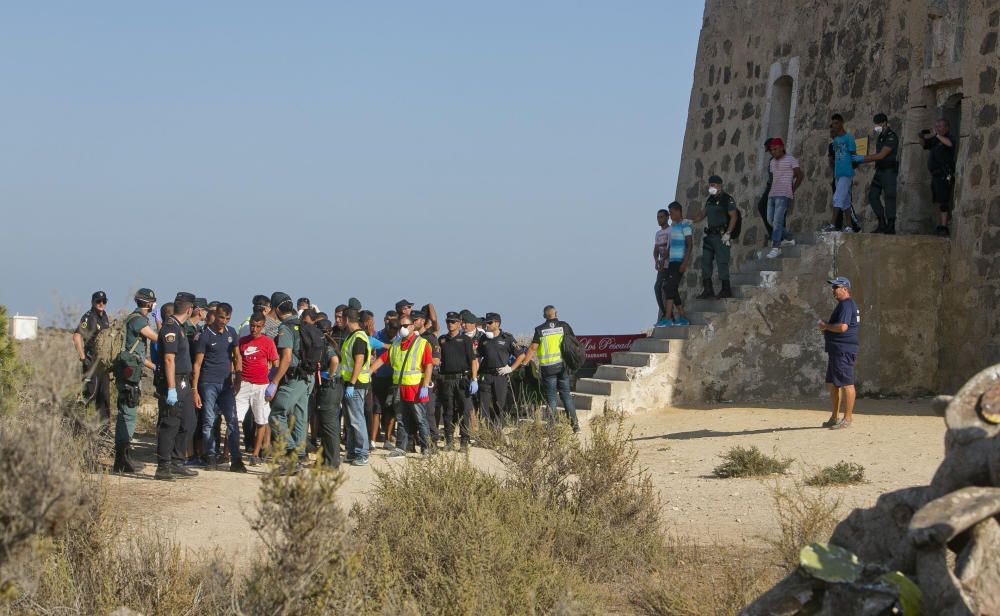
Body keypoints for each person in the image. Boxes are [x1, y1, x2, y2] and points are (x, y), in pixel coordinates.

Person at [370, 313, 435, 458]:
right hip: (399, 389)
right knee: (401, 419)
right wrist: (369, 371)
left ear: (412, 326)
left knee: (420, 420)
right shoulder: (396, 345)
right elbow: (382, 359)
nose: (402, 328)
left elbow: (428, 365)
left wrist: (425, 386)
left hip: (416, 389)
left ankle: (427, 449)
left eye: (405, 326)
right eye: (401, 326)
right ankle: (401, 448)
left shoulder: (422, 343)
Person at [111, 288, 160, 474]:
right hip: (128, 375)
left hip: (130, 370)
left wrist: (153, 366)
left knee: (127, 412)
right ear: (149, 303)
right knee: (128, 414)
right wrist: (157, 319)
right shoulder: (139, 320)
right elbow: (159, 339)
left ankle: (124, 458)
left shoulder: (133, 318)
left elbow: (136, 353)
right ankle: (122, 460)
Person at [153, 292, 200, 481]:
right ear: (189, 310)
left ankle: (177, 461)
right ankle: (163, 466)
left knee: (188, 422)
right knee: (170, 423)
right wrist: (171, 388)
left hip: (184, 382)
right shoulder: (170, 328)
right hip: (173, 382)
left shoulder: (179, 327)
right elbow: (168, 359)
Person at [193, 302, 243, 471]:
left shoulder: (232, 333)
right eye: (221, 317)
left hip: (227, 385)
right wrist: (195, 389)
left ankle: (236, 460)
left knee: (232, 421)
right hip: (208, 383)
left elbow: (237, 356)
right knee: (208, 421)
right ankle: (211, 457)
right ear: (215, 315)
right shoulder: (205, 335)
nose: (224, 321)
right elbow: (197, 364)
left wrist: (238, 378)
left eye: (227, 318)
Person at [266, 292, 311, 462]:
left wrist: (275, 382)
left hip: (293, 377)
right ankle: (300, 455)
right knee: (299, 416)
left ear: (276, 309)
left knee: (277, 415)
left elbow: (286, 358)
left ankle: (291, 453)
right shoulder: (303, 324)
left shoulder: (285, 327)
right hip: (307, 377)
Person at [522, 306, 579, 432]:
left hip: (548, 368)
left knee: (552, 398)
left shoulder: (540, 330)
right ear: (556, 314)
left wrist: (524, 363)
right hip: (562, 366)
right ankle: (575, 427)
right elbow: (573, 343)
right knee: (566, 396)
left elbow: (532, 348)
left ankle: (552, 428)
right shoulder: (564, 326)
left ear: (544, 315)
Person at [819, 277, 860, 430]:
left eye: (836, 287)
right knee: (832, 383)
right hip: (837, 350)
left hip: (843, 350)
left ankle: (847, 419)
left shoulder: (846, 304)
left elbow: (842, 327)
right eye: (833, 287)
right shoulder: (844, 305)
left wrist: (825, 326)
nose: (833, 290)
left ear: (845, 288)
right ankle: (835, 417)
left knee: (847, 384)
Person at [236, 312, 278, 465]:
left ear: (263, 327)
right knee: (234, 419)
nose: (254, 329)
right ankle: (228, 452)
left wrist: (273, 385)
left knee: (261, 420)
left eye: (258, 326)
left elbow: (275, 364)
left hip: (261, 385)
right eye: (252, 326)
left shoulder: (268, 342)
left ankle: (255, 454)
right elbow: (236, 361)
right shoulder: (242, 342)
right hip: (244, 384)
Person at [690, 175, 738, 299]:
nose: (711, 187)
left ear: (719, 186)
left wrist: (728, 233)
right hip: (710, 236)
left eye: (713, 185)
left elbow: (734, 216)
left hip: (721, 236)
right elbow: (703, 214)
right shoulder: (710, 199)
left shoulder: (727, 199)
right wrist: (691, 221)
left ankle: (726, 289)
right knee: (705, 261)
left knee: (722, 262)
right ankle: (708, 289)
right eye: (710, 185)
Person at [437, 311, 478, 451]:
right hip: (446, 381)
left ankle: (464, 442)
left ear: (459, 324)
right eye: (448, 321)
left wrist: (474, 379)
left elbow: (473, 360)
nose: (450, 324)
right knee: (448, 412)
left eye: (453, 321)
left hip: (462, 380)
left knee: (464, 410)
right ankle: (449, 441)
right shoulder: (442, 340)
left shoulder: (466, 340)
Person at [476, 312, 526, 426]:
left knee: (500, 404)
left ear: (497, 323)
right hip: (485, 375)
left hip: (500, 375)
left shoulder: (507, 338)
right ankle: (484, 432)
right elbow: (477, 356)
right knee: (483, 405)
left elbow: (521, 355)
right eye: (486, 323)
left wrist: (511, 368)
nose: (487, 325)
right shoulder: (483, 338)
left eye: (489, 323)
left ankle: (498, 431)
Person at [72, 290, 112, 421]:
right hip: (91, 362)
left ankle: (103, 430)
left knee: (104, 397)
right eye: (98, 301)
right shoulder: (88, 317)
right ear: (93, 302)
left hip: (103, 364)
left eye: (104, 301)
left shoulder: (104, 316)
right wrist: (83, 357)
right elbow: (77, 336)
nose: (101, 304)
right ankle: (79, 427)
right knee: (90, 394)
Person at [338, 308, 371, 466]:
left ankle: (362, 452)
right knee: (350, 420)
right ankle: (352, 451)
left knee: (357, 419)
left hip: (356, 384)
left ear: (346, 319)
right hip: (349, 383)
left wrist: (351, 383)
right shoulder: (351, 336)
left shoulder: (358, 337)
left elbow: (359, 361)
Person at [858, 113, 900, 234]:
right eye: (876, 124)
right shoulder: (881, 136)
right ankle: (882, 222)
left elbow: (881, 155)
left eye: (878, 124)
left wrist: (861, 158)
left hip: (889, 172)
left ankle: (891, 225)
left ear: (884, 123)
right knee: (872, 196)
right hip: (880, 171)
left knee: (889, 197)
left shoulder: (892, 137)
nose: (877, 127)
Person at [655, 203, 693, 326]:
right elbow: (670, 246)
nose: (670, 215)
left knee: (669, 287)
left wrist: (685, 262)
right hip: (671, 262)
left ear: (677, 211)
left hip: (679, 262)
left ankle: (667, 318)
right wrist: (662, 259)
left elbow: (689, 244)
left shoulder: (685, 225)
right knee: (671, 287)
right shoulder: (674, 226)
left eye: (671, 213)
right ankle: (682, 317)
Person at [765, 137, 803, 258]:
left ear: (782, 148)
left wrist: (792, 189)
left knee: (777, 221)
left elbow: (800, 175)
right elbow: (774, 179)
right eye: (771, 150)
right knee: (770, 221)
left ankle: (776, 247)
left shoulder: (791, 159)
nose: (773, 152)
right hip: (772, 194)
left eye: (775, 149)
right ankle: (789, 237)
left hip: (783, 194)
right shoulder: (772, 162)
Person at [920, 118, 957, 236]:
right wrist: (922, 136)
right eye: (936, 126)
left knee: (944, 201)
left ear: (947, 127)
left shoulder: (949, 137)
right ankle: (941, 224)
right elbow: (924, 145)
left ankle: (944, 227)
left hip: (944, 174)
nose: (937, 128)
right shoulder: (935, 140)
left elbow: (950, 144)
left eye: (940, 126)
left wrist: (936, 135)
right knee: (938, 201)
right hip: (935, 175)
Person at [314, 319, 343, 468]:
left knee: (329, 426)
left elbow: (335, 361)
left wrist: (329, 375)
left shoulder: (326, 346)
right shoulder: (331, 344)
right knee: (327, 425)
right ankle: (325, 460)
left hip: (329, 388)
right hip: (334, 388)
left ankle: (332, 463)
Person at [823, 114, 857, 233]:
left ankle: (832, 224)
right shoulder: (835, 141)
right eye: (833, 124)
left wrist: (851, 168)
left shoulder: (849, 138)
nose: (834, 126)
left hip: (847, 173)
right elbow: (834, 157)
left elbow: (854, 155)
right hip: (838, 173)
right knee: (845, 200)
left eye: (837, 123)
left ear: (842, 123)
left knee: (837, 198)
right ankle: (849, 226)